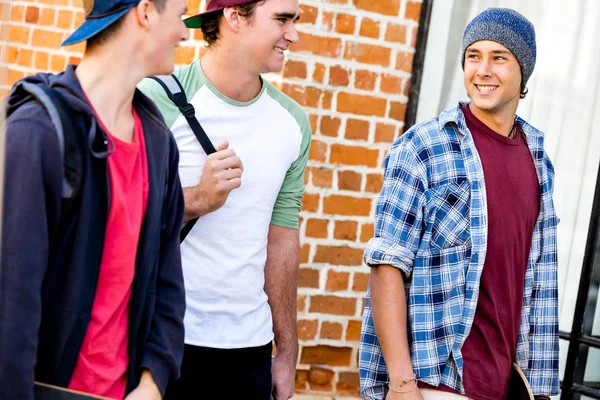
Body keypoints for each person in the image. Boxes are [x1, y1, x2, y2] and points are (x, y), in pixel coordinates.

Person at [359, 8, 559, 400]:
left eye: (498, 57)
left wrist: (540, 389)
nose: (482, 70)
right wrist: (402, 385)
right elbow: (387, 266)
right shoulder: (424, 147)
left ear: (523, 71)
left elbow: (537, 285)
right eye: (473, 56)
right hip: (436, 381)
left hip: (508, 384)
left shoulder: (538, 161)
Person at [0, 0, 189, 399]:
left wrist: (152, 382)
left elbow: (167, 280)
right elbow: (10, 308)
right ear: (146, 13)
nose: (186, 32)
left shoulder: (158, 143)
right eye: (182, 15)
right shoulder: (35, 134)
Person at [138, 0, 310, 399]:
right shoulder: (157, 99)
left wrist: (286, 350)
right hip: (161, 338)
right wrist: (197, 198)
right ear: (234, 16)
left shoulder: (292, 123)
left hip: (246, 350)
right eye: (282, 20)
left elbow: (281, 236)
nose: (293, 35)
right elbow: (117, 217)